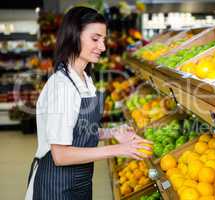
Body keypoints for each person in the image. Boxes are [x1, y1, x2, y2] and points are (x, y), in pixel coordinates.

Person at [25, 7, 152, 200]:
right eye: (95, 39)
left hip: (80, 183)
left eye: (103, 39)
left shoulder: (84, 79)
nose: (102, 47)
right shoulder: (62, 87)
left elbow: (79, 132)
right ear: (74, 36)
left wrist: (112, 133)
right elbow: (60, 155)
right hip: (55, 187)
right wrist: (118, 150)